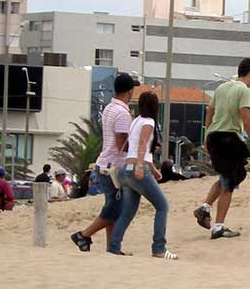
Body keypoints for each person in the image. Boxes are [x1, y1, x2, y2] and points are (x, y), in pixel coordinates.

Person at [193, 58, 250, 240]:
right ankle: (218, 226)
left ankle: (205, 208)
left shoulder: (221, 87)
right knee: (230, 182)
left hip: (215, 136)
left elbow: (209, 111)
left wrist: (206, 136)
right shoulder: (244, 90)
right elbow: (246, 119)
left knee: (226, 176)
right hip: (229, 138)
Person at [70, 72, 136, 252]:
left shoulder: (109, 108)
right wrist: (137, 149)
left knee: (112, 207)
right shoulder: (123, 113)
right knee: (115, 210)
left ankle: (111, 247)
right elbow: (121, 143)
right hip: (113, 167)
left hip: (104, 164)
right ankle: (83, 235)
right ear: (129, 91)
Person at [108, 91, 178, 260]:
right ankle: (159, 248)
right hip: (136, 169)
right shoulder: (149, 122)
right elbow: (142, 145)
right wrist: (141, 166)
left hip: (126, 168)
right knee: (162, 206)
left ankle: (113, 247)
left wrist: (152, 168)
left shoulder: (136, 121)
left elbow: (139, 148)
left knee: (128, 211)